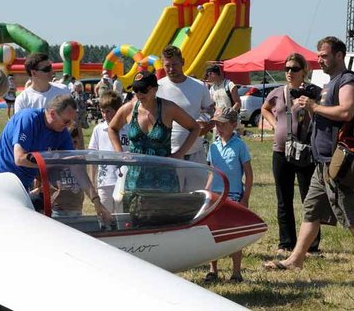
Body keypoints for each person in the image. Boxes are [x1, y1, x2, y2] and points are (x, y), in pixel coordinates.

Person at [262, 36, 354, 278]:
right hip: (322, 162)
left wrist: (314, 107)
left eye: (325, 55)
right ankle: (295, 260)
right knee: (311, 210)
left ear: (339, 56)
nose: (320, 59)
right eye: (318, 55)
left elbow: (347, 111)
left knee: (347, 213)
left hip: (335, 161)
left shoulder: (347, 79)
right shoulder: (330, 82)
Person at [0, 95, 111, 223]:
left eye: (71, 122)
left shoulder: (62, 133)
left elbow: (75, 166)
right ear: (53, 114)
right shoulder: (28, 119)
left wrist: (96, 201)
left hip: (21, 186)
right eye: (66, 121)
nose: (69, 126)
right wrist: (55, 162)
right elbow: (20, 158)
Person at [108, 71, 200, 211]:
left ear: (155, 89)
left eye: (143, 90)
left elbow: (195, 128)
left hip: (164, 178)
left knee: (165, 222)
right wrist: (120, 153)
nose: (139, 94)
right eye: (136, 89)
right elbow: (112, 129)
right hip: (135, 179)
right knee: (135, 221)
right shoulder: (129, 109)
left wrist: (180, 153)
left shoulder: (169, 108)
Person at [261, 53, 321, 255]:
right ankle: (286, 243)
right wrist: (274, 124)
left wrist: (311, 105)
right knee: (283, 199)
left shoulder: (313, 92)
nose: (289, 72)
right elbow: (265, 108)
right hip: (281, 152)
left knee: (309, 199)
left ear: (304, 71)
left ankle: (311, 244)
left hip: (306, 152)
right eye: (286, 68)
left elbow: (321, 116)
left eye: (294, 68)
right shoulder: (278, 92)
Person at [205, 107, 253, 283]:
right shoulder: (213, 146)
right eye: (217, 124)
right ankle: (213, 269)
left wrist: (245, 197)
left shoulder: (240, 146)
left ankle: (236, 272)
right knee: (213, 232)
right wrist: (206, 192)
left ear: (234, 125)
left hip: (233, 195)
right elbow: (211, 171)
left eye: (223, 124)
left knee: (235, 234)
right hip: (216, 195)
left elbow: (248, 173)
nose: (219, 128)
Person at [157, 45, 214, 165]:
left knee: (198, 185)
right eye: (167, 66)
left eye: (175, 64)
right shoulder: (157, 87)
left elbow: (211, 110)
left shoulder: (199, 86)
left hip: (196, 153)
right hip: (168, 155)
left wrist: (205, 124)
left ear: (182, 62)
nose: (171, 69)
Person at [88, 91, 130, 213]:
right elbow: (93, 157)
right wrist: (92, 181)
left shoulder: (128, 129)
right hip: (105, 181)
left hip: (124, 181)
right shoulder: (98, 129)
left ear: (118, 110)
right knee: (105, 214)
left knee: (122, 215)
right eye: (102, 111)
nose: (105, 115)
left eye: (108, 111)